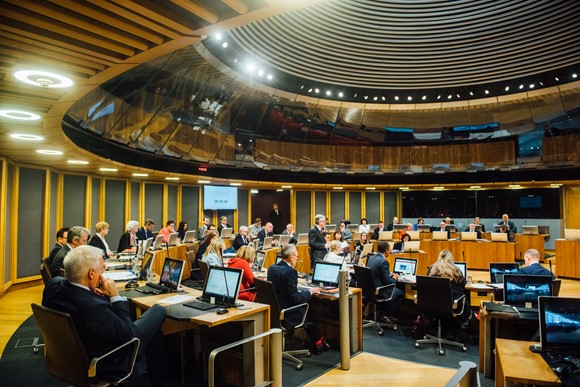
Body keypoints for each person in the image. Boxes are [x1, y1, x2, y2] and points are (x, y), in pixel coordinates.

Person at [43, 245, 166, 385]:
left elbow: (74, 292)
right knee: (158, 310)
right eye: (102, 267)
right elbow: (128, 333)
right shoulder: (93, 307)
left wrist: (91, 291)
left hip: (66, 356)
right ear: (91, 274)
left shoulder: (52, 286)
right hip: (105, 360)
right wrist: (114, 295)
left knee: (156, 335)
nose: (105, 268)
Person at [267, 244, 329, 354]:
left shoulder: (272, 268)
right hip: (288, 312)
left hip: (275, 310)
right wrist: (310, 291)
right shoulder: (291, 272)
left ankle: (318, 342)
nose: (297, 258)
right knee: (310, 308)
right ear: (291, 256)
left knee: (308, 308)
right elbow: (295, 298)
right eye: (296, 256)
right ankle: (318, 343)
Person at [427, 249, 470, 324]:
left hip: (433, 304)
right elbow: (464, 285)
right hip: (452, 306)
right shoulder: (456, 270)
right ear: (451, 259)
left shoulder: (431, 269)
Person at [365, 241, 404, 315]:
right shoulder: (383, 262)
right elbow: (388, 282)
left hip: (370, 290)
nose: (389, 251)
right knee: (401, 294)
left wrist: (388, 274)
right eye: (389, 249)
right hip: (380, 291)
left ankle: (381, 313)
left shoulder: (371, 258)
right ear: (386, 250)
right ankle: (386, 315)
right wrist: (395, 278)